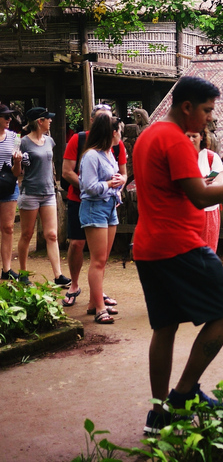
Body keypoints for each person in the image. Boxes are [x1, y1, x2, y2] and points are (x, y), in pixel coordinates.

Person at [133, 76, 223, 435]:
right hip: (180, 245)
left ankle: (158, 413)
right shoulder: (175, 140)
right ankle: (183, 395)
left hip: (148, 247)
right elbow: (200, 196)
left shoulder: (147, 135)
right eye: (208, 111)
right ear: (187, 107)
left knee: (164, 327)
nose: (210, 119)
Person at [61, 104, 126, 308]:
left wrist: (114, 188)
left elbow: (122, 173)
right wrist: (96, 187)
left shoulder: (113, 148)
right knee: (77, 244)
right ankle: (74, 285)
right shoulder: (79, 141)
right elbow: (67, 172)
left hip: (106, 203)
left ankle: (95, 297)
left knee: (100, 257)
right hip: (81, 200)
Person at [78, 112, 125, 324]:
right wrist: (110, 184)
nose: (121, 136)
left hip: (110, 206)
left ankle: (92, 302)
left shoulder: (109, 153)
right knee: (97, 261)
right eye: (119, 132)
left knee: (103, 259)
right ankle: (99, 308)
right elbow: (89, 186)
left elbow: (117, 178)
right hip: (94, 207)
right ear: (111, 132)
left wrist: (119, 180)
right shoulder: (91, 156)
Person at [17, 107, 71, 287]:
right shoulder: (23, 142)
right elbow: (18, 170)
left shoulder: (50, 141)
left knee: (52, 235)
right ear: (40, 121)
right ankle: (23, 273)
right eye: (48, 119)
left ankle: (58, 275)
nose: (51, 121)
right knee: (26, 234)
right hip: (30, 192)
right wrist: (20, 163)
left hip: (48, 192)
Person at [186, 128, 223, 252]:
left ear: (202, 136)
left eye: (194, 136)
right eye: (187, 136)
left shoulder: (211, 157)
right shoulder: (178, 157)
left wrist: (210, 184)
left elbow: (220, 181)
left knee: (207, 251)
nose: (190, 140)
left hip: (207, 211)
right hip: (185, 211)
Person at [0, 104, 22, 280]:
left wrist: (18, 162)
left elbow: (17, 171)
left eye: (10, 117)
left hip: (9, 186)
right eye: (5, 116)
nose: (9, 120)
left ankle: (6, 269)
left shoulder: (15, 137)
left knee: (8, 228)